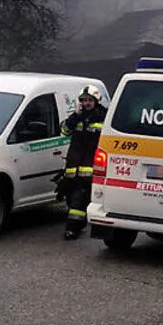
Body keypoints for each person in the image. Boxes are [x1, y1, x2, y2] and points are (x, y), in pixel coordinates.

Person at [59, 86, 107, 240]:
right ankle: (78, 225)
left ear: (96, 101)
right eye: (83, 100)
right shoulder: (77, 117)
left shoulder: (103, 117)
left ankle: (72, 229)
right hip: (73, 167)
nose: (86, 103)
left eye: (89, 100)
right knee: (71, 198)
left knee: (79, 199)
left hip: (89, 168)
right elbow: (65, 131)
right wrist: (76, 115)